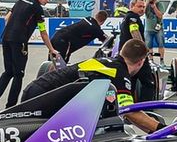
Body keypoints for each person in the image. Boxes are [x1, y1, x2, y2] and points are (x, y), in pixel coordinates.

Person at [21, 38, 161, 134]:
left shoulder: (105, 62)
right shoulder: (120, 73)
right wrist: (162, 129)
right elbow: (129, 111)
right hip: (44, 97)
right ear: (141, 62)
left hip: (35, 89)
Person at [0, 0, 60, 111]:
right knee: (19, 74)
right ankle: (11, 106)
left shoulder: (21, 1)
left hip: (6, 38)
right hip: (19, 41)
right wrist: (51, 49)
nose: (47, 0)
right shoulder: (37, 9)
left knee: (8, 71)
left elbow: (7, 18)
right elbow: (43, 32)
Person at [119, 0, 157, 102]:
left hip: (125, 56)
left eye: (144, 7)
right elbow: (134, 32)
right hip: (136, 55)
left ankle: (130, 107)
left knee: (130, 82)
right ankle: (146, 108)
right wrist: (143, 49)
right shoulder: (133, 18)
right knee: (148, 83)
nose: (142, 9)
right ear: (132, 6)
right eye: (139, 6)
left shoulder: (127, 17)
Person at [143, 0, 165, 64]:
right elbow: (143, 12)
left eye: (153, 0)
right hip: (148, 29)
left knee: (161, 44)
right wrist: (147, 3)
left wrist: (154, 7)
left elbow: (160, 15)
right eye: (151, 0)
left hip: (158, 29)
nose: (152, 1)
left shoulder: (159, 4)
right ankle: (151, 60)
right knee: (149, 46)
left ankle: (161, 60)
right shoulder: (147, 5)